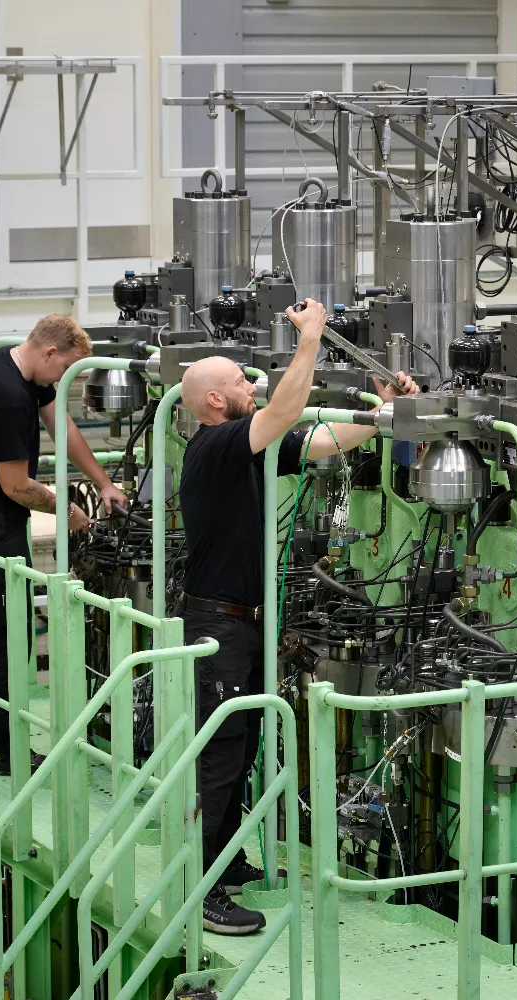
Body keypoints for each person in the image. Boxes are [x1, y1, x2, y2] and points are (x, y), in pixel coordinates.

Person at [177, 299, 419, 935]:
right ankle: (201, 892)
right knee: (221, 754)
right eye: (238, 381)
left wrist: (381, 415)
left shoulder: (247, 450)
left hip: (244, 623)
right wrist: (309, 339)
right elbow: (285, 410)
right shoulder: (215, 448)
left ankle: (223, 865)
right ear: (212, 403)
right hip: (217, 627)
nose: (250, 384)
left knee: (243, 740)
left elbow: (318, 441)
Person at [0, 313, 130, 772]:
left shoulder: (14, 366)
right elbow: (16, 485)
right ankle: (2, 750)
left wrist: (102, 482)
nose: (68, 381)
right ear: (49, 353)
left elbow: (58, 423)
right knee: (4, 636)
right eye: (67, 370)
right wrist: (68, 512)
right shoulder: (7, 395)